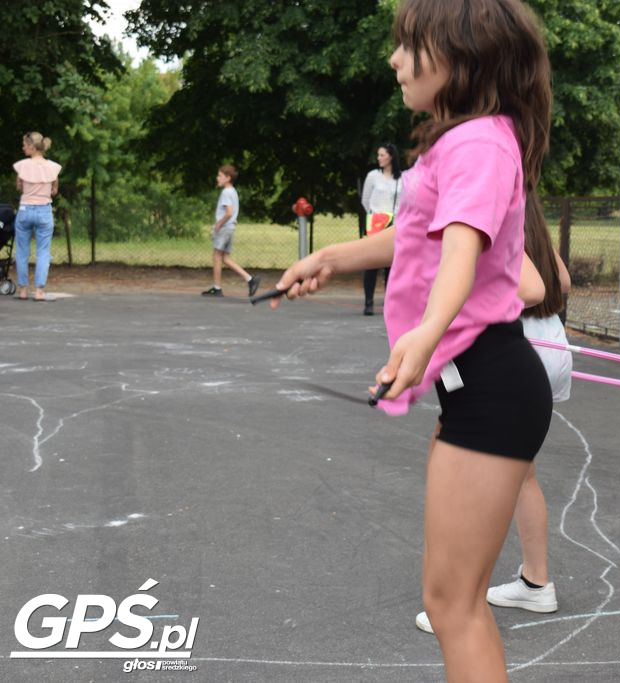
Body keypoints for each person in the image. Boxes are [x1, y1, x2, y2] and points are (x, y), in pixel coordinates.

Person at [271, 1, 553, 679]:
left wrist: (426, 334)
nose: (394, 59)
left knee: (454, 604)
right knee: (448, 597)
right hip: (475, 386)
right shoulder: (458, 141)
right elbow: (418, 234)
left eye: (408, 45)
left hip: (491, 383)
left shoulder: (483, 141)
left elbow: (464, 247)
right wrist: (330, 257)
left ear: (459, 54)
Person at [415, 194, 572, 634]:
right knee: (519, 472)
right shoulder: (526, 212)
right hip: (548, 342)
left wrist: (468, 296)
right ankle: (535, 581)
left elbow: (531, 287)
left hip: (512, 349)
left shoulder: (485, 212)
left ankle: (457, 596)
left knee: (469, 468)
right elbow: (559, 282)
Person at [13, 132, 61, 301]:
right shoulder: (53, 167)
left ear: (32, 147)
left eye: (25, 145)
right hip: (44, 211)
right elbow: (54, 190)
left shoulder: (22, 166)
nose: (23, 147)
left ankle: (23, 290)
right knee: (43, 252)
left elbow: (19, 186)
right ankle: (39, 291)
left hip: (25, 210)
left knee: (22, 252)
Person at [201, 164, 259, 297]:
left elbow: (228, 212)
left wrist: (218, 224)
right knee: (225, 258)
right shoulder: (233, 191)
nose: (217, 178)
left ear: (227, 178)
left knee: (216, 256)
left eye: (220, 176)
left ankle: (217, 288)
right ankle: (250, 279)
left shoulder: (226, 192)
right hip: (230, 227)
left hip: (224, 228)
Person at [360, 143, 403, 315]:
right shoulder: (373, 176)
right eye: (378, 155)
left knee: (391, 266)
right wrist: (376, 217)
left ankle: (389, 302)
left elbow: (403, 202)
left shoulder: (401, 179)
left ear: (391, 156)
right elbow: (365, 200)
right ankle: (368, 302)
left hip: (394, 224)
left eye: (382, 155)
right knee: (371, 264)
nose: (379, 158)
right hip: (375, 224)